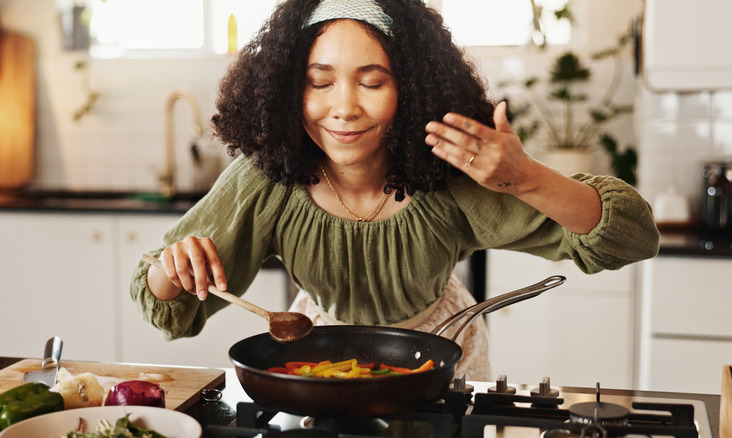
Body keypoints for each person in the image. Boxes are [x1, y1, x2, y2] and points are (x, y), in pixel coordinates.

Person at [131, 0, 659, 380]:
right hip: (317, 355)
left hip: (442, 354)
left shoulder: (449, 176)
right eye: (320, 82)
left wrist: (527, 178)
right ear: (289, 90)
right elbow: (163, 304)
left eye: (372, 81)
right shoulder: (269, 177)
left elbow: (632, 237)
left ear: (410, 88)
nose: (343, 107)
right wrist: (169, 270)